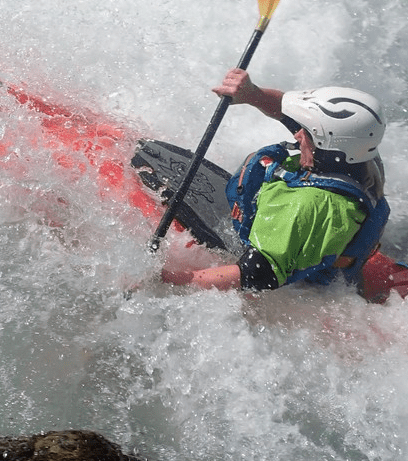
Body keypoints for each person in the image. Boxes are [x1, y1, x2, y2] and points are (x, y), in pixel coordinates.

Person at [161, 68, 389, 293]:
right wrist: (252, 94)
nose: (297, 134)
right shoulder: (357, 157)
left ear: (328, 148)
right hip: (308, 237)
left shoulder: (307, 206)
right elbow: (286, 113)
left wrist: (170, 280)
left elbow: (258, 273)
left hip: (291, 272)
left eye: (306, 133)